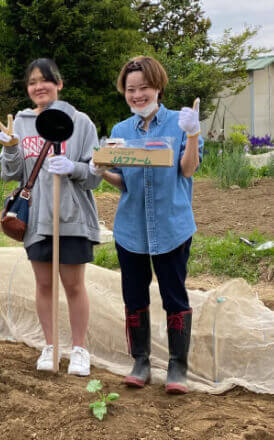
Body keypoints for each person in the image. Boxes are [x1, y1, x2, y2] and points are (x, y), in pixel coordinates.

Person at [90, 56, 203, 394]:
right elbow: (123, 181)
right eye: (131, 89)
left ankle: (177, 366)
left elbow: (187, 169)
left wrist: (194, 134)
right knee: (134, 296)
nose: (138, 95)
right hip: (131, 229)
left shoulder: (180, 123)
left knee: (174, 296)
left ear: (158, 87)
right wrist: (101, 170)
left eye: (144, 88)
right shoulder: (122, 132)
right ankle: (140, 360)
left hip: (171, 226)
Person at [0, 58, 102, 376]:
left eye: (45, 80)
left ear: (59, 83)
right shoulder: (21, 123)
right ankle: (50, 345)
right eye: (32, 82)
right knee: (43, 285)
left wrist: (75, 168)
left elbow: (95, 176)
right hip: (37, 218)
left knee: (73, 285)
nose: (38, 86)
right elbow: (10, 173)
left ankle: (80, 349)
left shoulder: (80, 122)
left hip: (71, 216)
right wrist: (11, 148)